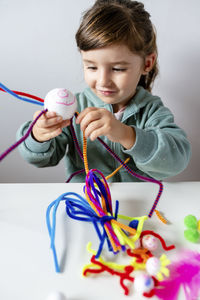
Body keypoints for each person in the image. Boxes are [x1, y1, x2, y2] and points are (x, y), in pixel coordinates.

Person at [17, 0, 191, 182]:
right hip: (87, 205)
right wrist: (38, 136)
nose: (103, 81)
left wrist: (126, 134)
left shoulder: (151, 110)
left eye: (118, 69)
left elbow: (176, 161)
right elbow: (43, 159)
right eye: (91, 67)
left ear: (147, 63)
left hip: (141, 206)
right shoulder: (75, 109)